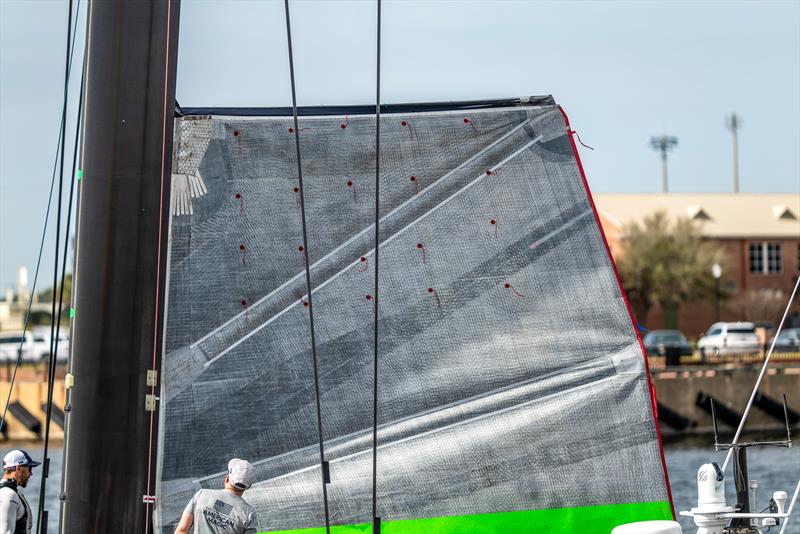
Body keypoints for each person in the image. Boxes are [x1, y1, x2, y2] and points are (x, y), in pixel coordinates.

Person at [175, 458, 259, 534]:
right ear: (249, 486)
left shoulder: (201, 494)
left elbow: (181, 530)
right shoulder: (249, 513)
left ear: (226, 478)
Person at [0, 449, 40, 534]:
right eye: (29, 468)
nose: (31, 473)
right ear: (18, 468)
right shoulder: (9, 495)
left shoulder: (10, 493)